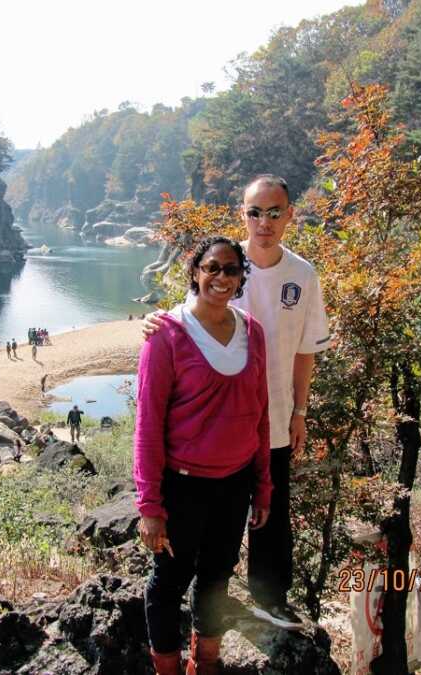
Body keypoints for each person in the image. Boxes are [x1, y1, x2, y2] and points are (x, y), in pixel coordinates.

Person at [143, 175, 331, 631]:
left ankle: (269, 598)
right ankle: (207, 610)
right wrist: (154, 320)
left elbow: (306, 349)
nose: (264, 221)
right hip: (214, 425)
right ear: (242, 214)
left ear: (290, 214)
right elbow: (183, 321)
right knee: (213, 518)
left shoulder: (302, 275)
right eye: (254, 212)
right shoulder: (224, 263)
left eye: (274, 211)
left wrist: (301, 411)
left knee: (273, 508)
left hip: (277, 413)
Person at [135, 236, 272, 675]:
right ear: (195, 271)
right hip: (183, 486)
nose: (221, 277)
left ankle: (206, 662)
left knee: (217, 578)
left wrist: (263, 485)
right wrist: (149, 505)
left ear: (240, 278)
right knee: (169, 582)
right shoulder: (167, 335)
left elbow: (261, 413)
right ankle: (168, 668)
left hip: (234, 485)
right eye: (212, 267)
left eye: (231, 270)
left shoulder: (253, 331)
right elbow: (148, 425)